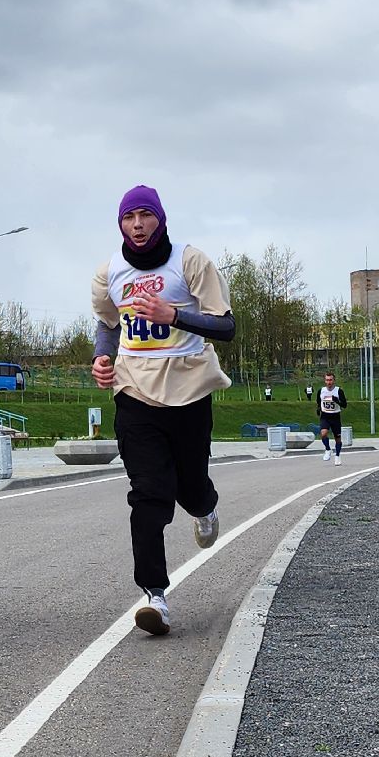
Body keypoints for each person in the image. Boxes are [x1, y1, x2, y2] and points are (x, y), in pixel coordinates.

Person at [91, 185, 235, 637]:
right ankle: (154, 595)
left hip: (189, 388)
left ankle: (205, 509)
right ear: (120, 224)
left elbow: (226, 325)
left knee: (190, 489)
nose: (137, 225)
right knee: (149, 493)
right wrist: (101, 356)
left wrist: (174, 316)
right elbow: (107, 323)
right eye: (128, 217)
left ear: (160, 219)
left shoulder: (191, 263)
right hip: (134, 391)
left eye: (144, 216)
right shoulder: (108, 272)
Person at [316, 370, 348, 465]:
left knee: (337, 438)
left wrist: (337, 401)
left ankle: (337, 456)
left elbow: (344, 405)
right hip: (325, 415)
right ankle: (328, 449)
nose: (329, 382)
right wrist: (318, 409)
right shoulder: (321, 391)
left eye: (330, 380)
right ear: (324, 381)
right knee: (323, 433)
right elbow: (319, 402)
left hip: (335, 416)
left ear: (334, 380)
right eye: (327, 380)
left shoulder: (338, 391)